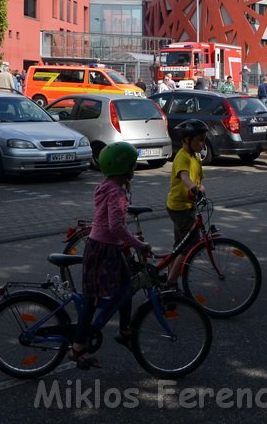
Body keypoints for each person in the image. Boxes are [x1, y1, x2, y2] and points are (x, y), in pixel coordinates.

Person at [70, 142, 151, 370]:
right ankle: (77, 348)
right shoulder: (115, 190)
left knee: (127, 286)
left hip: (111, 248)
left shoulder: (113, 185)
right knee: (92, 298)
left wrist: (129, 240)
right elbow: (115, 226)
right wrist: (138, 245)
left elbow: (115, 223)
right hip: (102, 250)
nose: (135, 168)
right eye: (133, 165)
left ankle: (125, 330)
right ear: (124, 168)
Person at [165, 120, 208, 288]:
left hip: (188, 206)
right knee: (190, 246)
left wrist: (200, 189)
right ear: (186, 140)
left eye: (204, 140)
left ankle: (169, 277)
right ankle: (171, 283)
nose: (202, 144)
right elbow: (184, 176)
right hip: (179, 208)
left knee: (179, 246)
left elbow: (198, 181)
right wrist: (192, 187)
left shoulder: (196, 157)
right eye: (199, 140)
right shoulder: (182, 157)